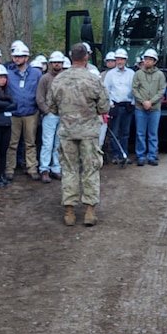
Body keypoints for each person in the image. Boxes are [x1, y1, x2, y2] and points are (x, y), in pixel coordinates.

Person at [48, 43, 111, 226]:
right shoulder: (93, 79)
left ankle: (69, 211)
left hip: (67, 131)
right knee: (91, 168)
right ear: (86, 58)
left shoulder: (58, 80)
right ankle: (90, 211)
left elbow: (51, 107)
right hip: (89, 132)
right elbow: (104, 107)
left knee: (69, 168)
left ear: (70, 56)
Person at [5, 40, 43, 181]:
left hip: (31, 112)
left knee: (30, 142)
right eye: (15, 56)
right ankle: (9, 169)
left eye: (20, 56)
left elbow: (40, 92)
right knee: (12, 143)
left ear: (27, 58)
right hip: (14, 113)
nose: (17, 59)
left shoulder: (36, 73)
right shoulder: (8, 73)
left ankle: (32, 168)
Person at [36, 51, 65, 183]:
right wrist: (46, 111)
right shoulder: (45, 78)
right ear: (51, 63)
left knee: (58, 143)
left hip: (63, 115)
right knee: (47, 143)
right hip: (50, 115)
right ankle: (44, 169)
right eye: (54, 62)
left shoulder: (66, 77)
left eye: (59, 62)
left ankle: (56, 168)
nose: (57, 64)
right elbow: (39, 97)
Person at [103, 48, 135, 165]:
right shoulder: (110, 74)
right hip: (115, 106)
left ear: (125, 60)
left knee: (125, 133)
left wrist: (133, 102)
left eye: (122, 59)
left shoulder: (131, 74)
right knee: (114, 132)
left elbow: (135, 89)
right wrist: (110, 104)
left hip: (127, 106)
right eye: (118, 59)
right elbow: (106, 90)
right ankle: (115, 155)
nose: (120, 61)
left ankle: (124, 154)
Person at [133, 48, 164, 167]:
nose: (147, 62)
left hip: (155, 109)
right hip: (140, 108)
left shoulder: (160, 75)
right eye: (146, 59)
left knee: (152, 133)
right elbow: (135, 89)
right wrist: (143, 101)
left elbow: (161, 90)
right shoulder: (138, 74)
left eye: (150, 59)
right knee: (140, 133)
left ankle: (152, 155)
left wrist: (151, 102)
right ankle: (140, 156)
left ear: (155, 61)